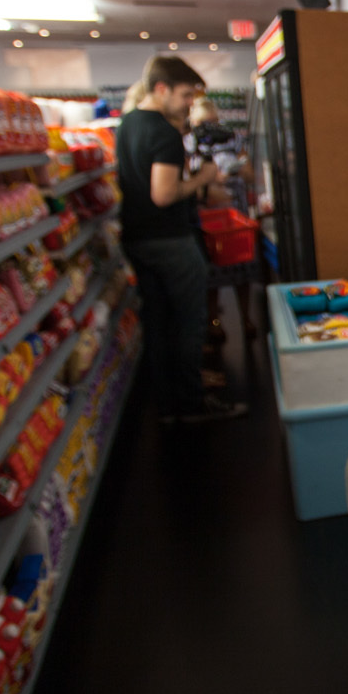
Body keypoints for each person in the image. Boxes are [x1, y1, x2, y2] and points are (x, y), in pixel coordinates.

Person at [116, 56, 246, 423]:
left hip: (137, 238)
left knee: (158, 324)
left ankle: (168, 403)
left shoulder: (127, 124)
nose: (190, 102)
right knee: (190, 322)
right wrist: (203, 179)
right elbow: (164, 193)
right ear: (162, 89)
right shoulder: (163, 133)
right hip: (170, 239)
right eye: (186, 94)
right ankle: (192, 403)